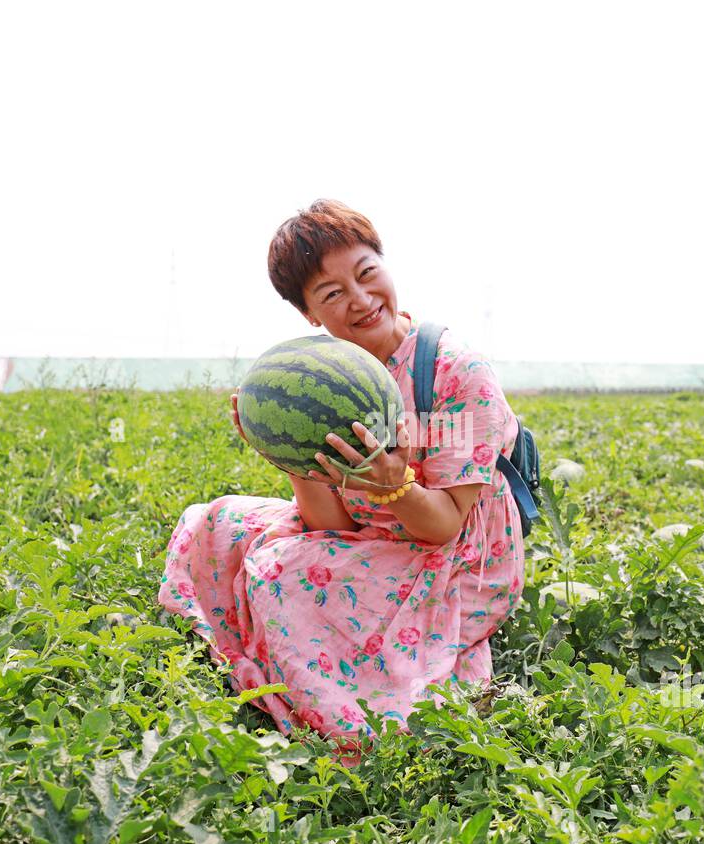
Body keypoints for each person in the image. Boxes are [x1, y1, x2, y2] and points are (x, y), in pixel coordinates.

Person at [157, 199, 525, 753]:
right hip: (368, 529)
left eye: (367, 273)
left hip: (453, 552)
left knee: (278, 570)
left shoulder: (453, 372)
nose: (360, 300)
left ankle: (362, 708)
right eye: (331, 294)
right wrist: (287, 455)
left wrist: (395, 486)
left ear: (383, 262)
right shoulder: (322, 376)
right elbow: (326, 522)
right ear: (308, 314)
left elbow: (445, 525)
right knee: (215, 523)